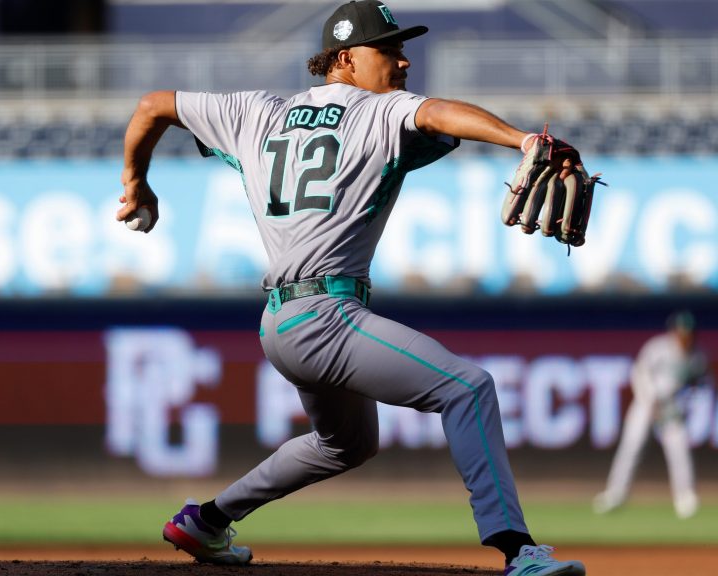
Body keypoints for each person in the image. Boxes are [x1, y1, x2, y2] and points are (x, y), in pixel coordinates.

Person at [118, 2, 589, 574]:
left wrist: (135, 181)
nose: (403, 60)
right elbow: (439, 115)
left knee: (347, 444)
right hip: (325, 317)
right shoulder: (379, 113)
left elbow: (152, 106)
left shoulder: (255, 111)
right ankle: (519, 551)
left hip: (279, 324)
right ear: (345, 59)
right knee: (468, 388)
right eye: (387, 49)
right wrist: (521, 140)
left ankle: (208, 519)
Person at [594, 310, 711, 519]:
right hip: (646, 403)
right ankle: (616, 494)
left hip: (672, 407)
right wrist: (650, 400)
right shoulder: (657, 347)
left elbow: (699, 385)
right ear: (673, 331)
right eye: (680, 331)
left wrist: (683, 404)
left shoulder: (697, 356)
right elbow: (639, 373)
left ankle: (685, 497)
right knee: (631, 448)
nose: (684, 336)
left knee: (679, 450)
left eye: (688, 332)